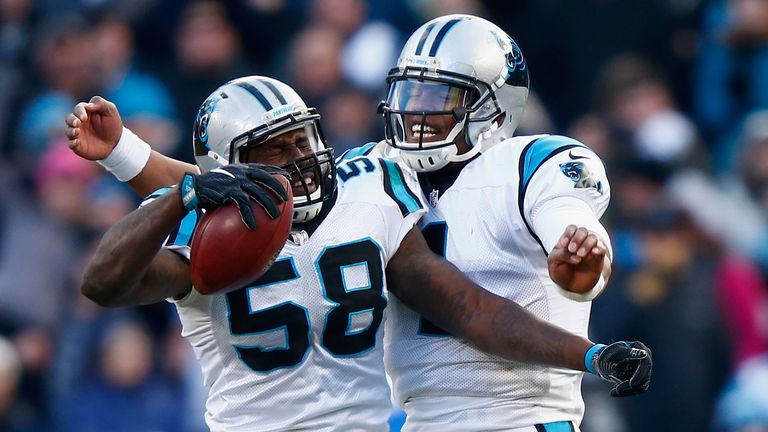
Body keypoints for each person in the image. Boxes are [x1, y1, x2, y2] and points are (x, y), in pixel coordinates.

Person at [67, 76, 650, 431]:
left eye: (304, 139)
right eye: (276, 151)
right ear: (233, 172)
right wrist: (176, 200)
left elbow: (470, 309)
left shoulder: (367, 195)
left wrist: (589, 355)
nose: (301, 159)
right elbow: (103, 282)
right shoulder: (207, 236)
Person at [375, 15, 618, 430]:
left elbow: (570, 223)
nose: (416, 112)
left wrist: (583, 261)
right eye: (411, 92)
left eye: (439, 97)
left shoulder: (530, 165)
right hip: (419, 421)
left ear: (494, 107)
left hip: (522, 418)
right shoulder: (374, 171)